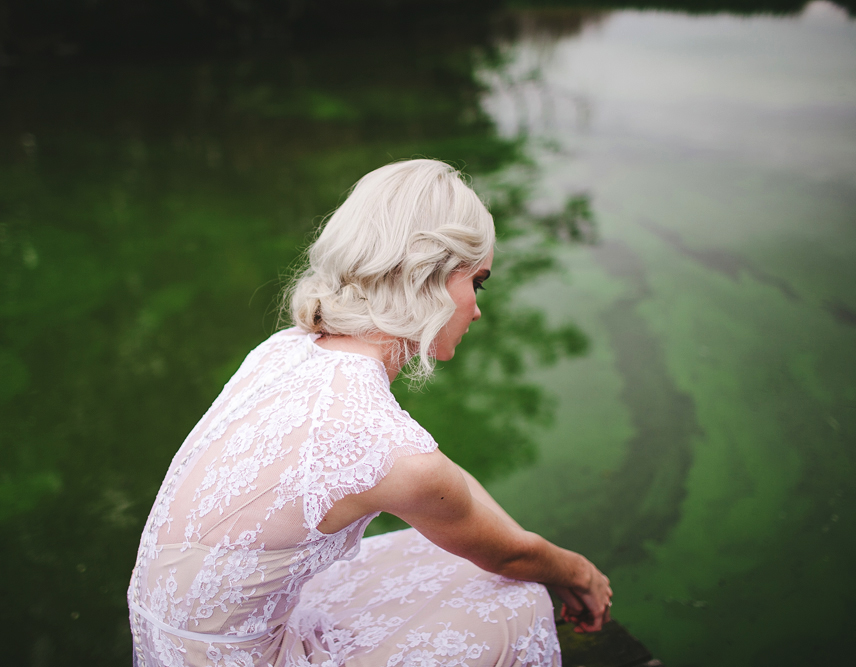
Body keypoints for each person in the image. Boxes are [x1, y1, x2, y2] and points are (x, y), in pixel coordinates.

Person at [127, 159, 612, 667]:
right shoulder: (387, 446)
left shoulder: (285, 350)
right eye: (478, 282)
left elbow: (446, 483)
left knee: (457, 562)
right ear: (430, 278)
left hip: (167, 641)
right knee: (518, 595)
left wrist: (518, 545)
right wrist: (579, 575)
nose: (477, 309)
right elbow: (500, 547)